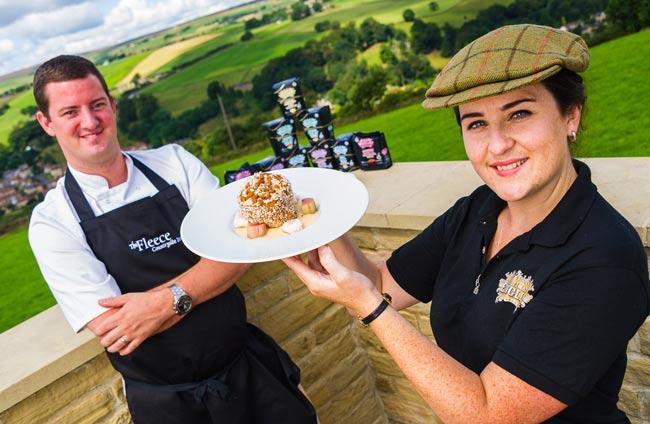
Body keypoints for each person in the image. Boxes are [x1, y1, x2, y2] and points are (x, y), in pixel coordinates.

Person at [283, 24, 650, 423]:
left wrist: (370, 310)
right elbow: (382, 284)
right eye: (476, 123)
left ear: (570, 116)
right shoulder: (478, 210)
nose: (496, 145)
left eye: (519, 113)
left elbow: (488, 414)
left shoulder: (604, 258)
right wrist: (325, 224)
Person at [28, 55, 317, 424]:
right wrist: (208, 273)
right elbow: (117, 328)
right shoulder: (53, 223)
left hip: (250, 371)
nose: (90, 121)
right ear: (46, 123)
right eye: (70, 112)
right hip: (169, 408)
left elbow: (242, 247)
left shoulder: (174, 163)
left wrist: (163, 304)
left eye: (97, 104)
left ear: (112, 105)